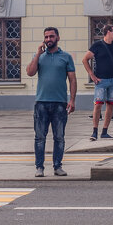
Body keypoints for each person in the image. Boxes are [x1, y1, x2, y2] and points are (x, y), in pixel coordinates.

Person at [26, 26, 76, 177]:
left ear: (58, 38)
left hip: (60, 103)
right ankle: (39, 167)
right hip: (41, 102)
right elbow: (30, 72)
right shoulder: (39, 57)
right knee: (40, 137)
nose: (49, 39)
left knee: (59, 137)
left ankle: (57, 166)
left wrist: (72, 100)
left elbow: (72, 79)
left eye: (51, 36)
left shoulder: (66, 57)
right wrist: (37, 54)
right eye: (46, 37)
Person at [83, 25, 113, 141]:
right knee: (98, 104)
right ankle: (94, 132)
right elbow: (85, 59)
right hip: (101, 80)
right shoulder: (97, 46)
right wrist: (92, 75)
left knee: (110, 105)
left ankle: (105, 132)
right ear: (108, 32)